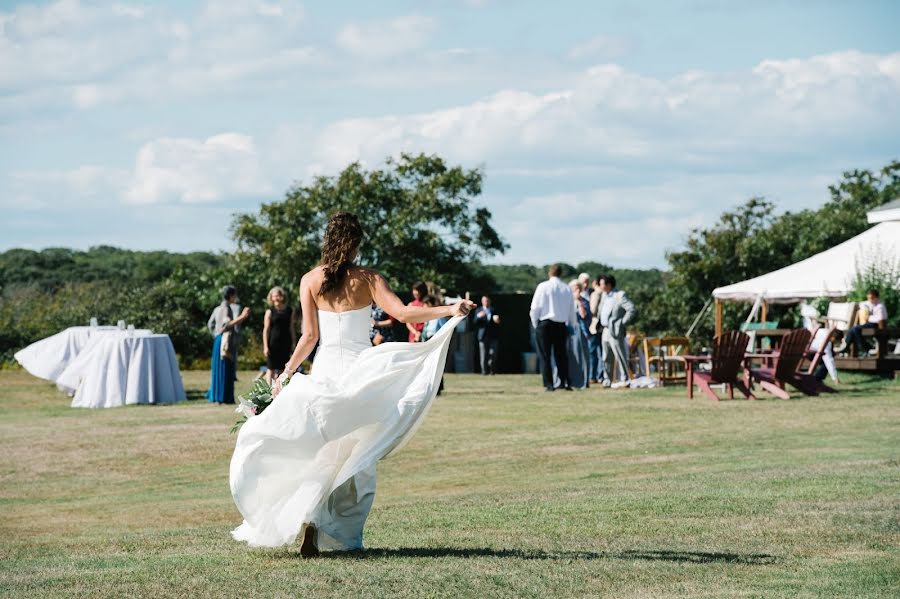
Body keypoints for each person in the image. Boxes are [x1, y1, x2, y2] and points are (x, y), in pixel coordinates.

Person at [230, 212, 474, 556]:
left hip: (327, 372)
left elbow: (310, 336)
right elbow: (404, 314)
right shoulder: (369, 279)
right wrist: (449, 310)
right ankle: (337, 531)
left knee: (321, 452)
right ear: (355, 243)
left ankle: (312, 523)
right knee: (356, 455)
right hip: (362, 372)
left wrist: (286, 373)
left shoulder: (310, 280)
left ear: (327, 241)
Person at [529, 264, 575, 391]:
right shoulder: (566, 288)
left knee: (545, 355)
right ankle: (564, 382)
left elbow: (534, 308)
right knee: (561, 355)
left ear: (550, 273)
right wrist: (571, 325)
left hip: (545, 324)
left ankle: (549, 384)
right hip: (561, 325)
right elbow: (572, 310)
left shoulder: (543, 286)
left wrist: (535, 324)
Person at [206, 285, 250, 404]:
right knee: (226, 368)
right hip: (225, 340)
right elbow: (226, 325)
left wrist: (215, 334)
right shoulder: (227, 308)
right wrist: (242, 317)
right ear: (231, 296)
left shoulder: (218, 308)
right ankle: (224, 397)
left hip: (218, 339)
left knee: (219, 369)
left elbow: (211, 324)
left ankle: (218, 396)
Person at [597, 274, 635, 389]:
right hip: (605, 330)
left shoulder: (619, 295)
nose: (600, 286)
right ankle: (607, 380)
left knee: (620, 355)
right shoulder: (604, 296)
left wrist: (622, 323)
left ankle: (625, 379)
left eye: (602, 283)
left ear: (609, 284)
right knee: (605, 357)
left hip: (615, 330)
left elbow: (631, 309)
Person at [840, 288, 888, 356]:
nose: (870, 300)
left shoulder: (880, 306)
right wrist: (865, 309)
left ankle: (863, 348)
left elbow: (880, 318)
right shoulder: (870, 304)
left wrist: (869, 317)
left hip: (876, 325)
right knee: (852, 330)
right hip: (870, 323)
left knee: (855, 329)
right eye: (869, 298)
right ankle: (850, 347)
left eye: (872, 298)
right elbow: (862, 304)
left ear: (877, 297)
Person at [262, 286, 295, 385]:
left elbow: (291, 328)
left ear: (282, 296)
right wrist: (265, 346)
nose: (275, 298)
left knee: (283, 368)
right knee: (271, 368)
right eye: (273, 296)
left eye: (277, 296)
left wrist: (294, 343)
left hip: (286, 343)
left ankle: (279, 390)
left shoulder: (290, 310)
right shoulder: (269, 311)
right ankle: (268, 391)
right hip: (272, 343)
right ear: (271, 298)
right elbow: (266, 330)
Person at [474, 295, 501, 375]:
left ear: (490, 301)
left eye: (487, 300)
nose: (486, 302)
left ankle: (492, 370)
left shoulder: (494, 310)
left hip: (493, 335)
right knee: (483, 354)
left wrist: (498, 321)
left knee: (493, 353)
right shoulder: (479, 310)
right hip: (482, 336)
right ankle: (484, 371)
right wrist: (479, 316)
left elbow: (499, 322)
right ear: (482, 302)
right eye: (484, 301)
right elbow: (474, 322)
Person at [588, 277, 605, 384]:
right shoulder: (606, 294)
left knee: (593, 352)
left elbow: (593, 310)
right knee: (602, 352)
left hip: (595, 326)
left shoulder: (596, 294)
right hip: (603, 326)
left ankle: (593, 375)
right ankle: (601, 375)